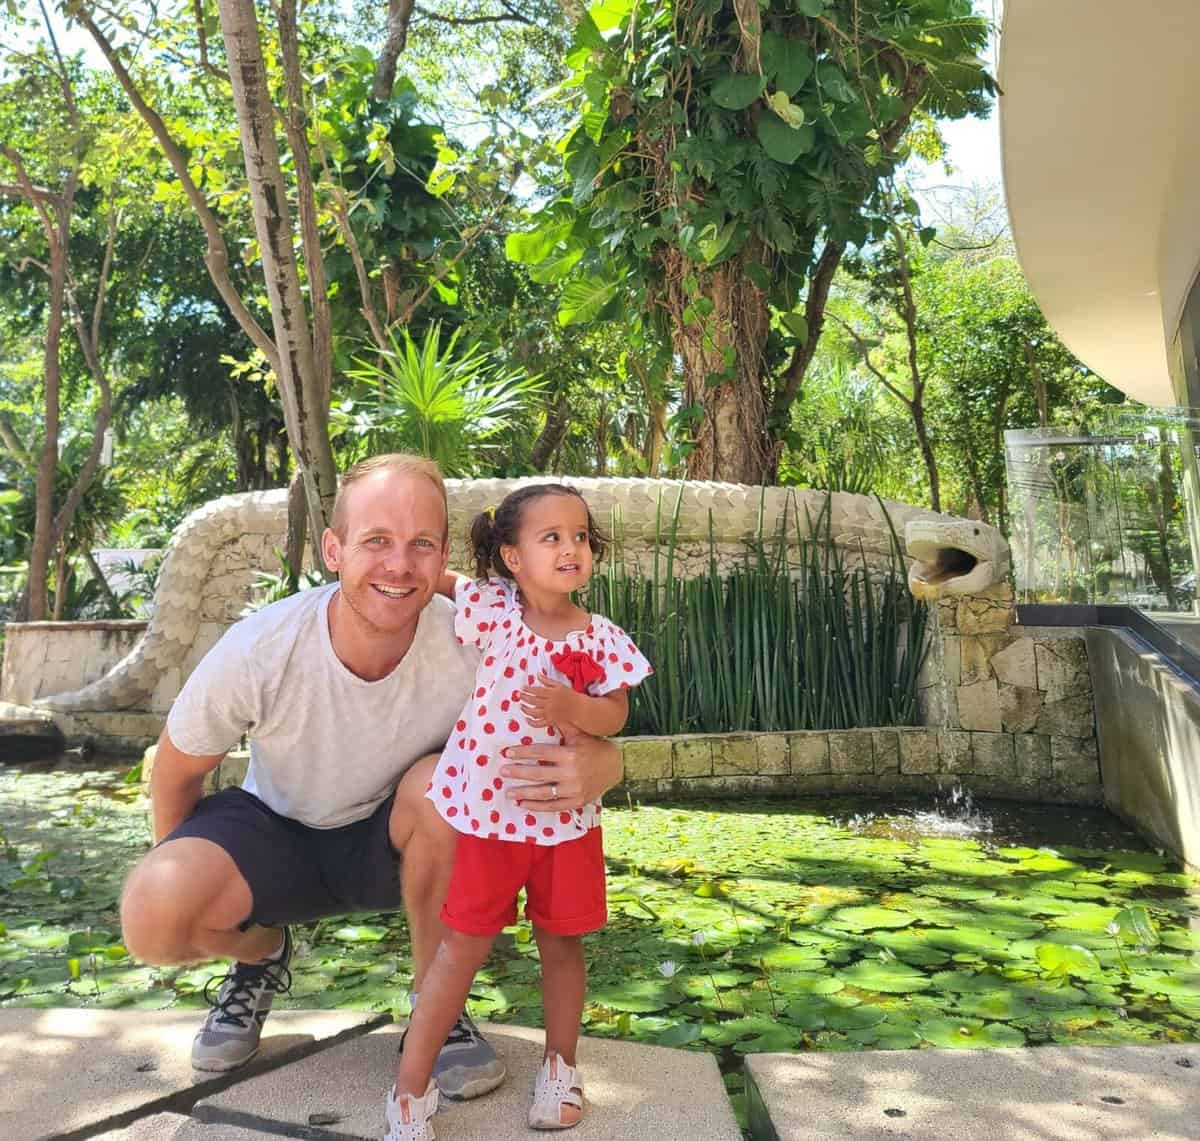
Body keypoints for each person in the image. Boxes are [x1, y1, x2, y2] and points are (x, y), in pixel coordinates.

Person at [118, 455, 626, 1103]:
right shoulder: (262, 647)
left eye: (420, 544)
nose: (398, 564)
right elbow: (176, 767)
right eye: (376, 541)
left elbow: (584, 736)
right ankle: (258, 956)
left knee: (446, 780)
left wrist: (604, 762)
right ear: (334, 549)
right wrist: (205, 896)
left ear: (443, 555)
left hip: (395, 840)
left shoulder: (478, 642)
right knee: (151, 912)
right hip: (275, 832)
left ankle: (434, 1008)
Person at [383, 484, 652, 1140]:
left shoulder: (602, 637)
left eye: (581, 536)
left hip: (565, 821)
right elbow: (439, 577)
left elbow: (615, 711)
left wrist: (573, 709)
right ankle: (409, 1092)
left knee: (563, 943)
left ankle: (560, 1068)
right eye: (551, 537)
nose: (571, 548)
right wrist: (398, 552)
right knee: (459, 950)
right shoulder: (494, 610)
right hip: (487, 820)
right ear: (511, 555)